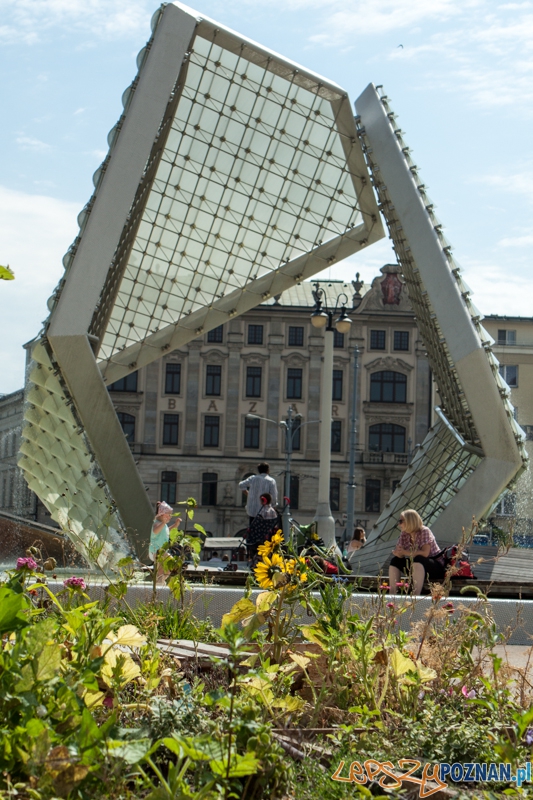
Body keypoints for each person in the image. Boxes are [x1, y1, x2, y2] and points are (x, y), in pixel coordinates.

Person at [388, 509, 444, 595]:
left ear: (410, 521)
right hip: (417, 567)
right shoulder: (404, 533)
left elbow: (425, 553)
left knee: (418, 559)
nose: (399, 524)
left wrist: (404, 552)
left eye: (401, 521)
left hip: (434, 567)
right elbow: (401, 553)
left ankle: (415, 595)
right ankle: (392, 594)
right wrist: (398, 553)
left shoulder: (424, 531)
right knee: (395, 560)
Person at [149, 500, 179, 583]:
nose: (170, 517)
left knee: (165, 570)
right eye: (168, 515)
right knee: (166, 566)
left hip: (162, 551)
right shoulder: (157, 523)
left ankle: (160, 582)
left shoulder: (163, 524)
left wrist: (174, 526)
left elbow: (165, 531)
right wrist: (163, 523)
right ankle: (159, 584)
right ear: (162, 514)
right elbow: (155, 531)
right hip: (156, 551)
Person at [246, 492, 279, 563]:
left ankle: (251, 555)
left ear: (263, 500)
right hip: (269, 534)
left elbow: (258, 523)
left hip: (261, 535)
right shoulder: (273, 511)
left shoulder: (263, 511)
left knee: (250, 536)